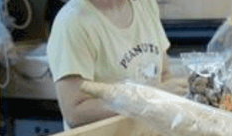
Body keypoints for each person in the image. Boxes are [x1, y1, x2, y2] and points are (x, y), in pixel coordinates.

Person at [46, 0, 171, 129]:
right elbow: (75, 112)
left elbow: (164, 75)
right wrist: (147, 100)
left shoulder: (145, 4)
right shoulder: (72, 22)